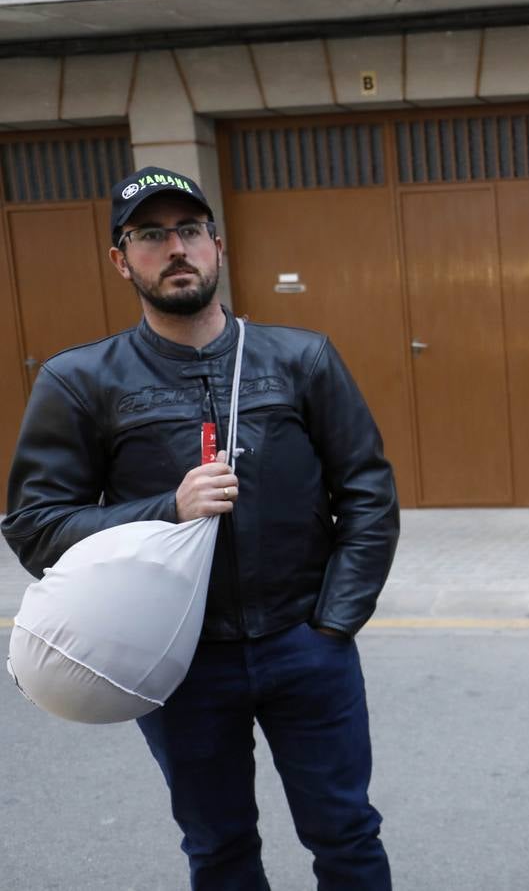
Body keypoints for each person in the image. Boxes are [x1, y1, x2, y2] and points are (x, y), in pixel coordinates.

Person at [2, 166, 399, 890]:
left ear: (218, 245)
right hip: (178, 663)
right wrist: (166, 509)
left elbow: (368, 490)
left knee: (346, 834)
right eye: (151, 235)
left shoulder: (302, 358)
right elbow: (35, 526)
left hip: (305, 646)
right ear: (122, 261)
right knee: (217, 849)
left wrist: (334, 623)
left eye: (188, 230)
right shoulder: (81, 380)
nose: (175, 248)